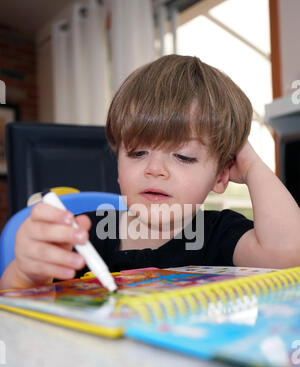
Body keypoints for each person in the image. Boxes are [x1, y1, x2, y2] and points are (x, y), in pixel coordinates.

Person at [1, 54, 300, 290]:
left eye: (183, 156)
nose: (155, 169)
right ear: (118, 163)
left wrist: (251, 165)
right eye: (137, 153)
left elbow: (289, 255)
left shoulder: (219, 234)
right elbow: (15, 305)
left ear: (221, 176)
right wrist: (27, 272)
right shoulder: (82, 235)